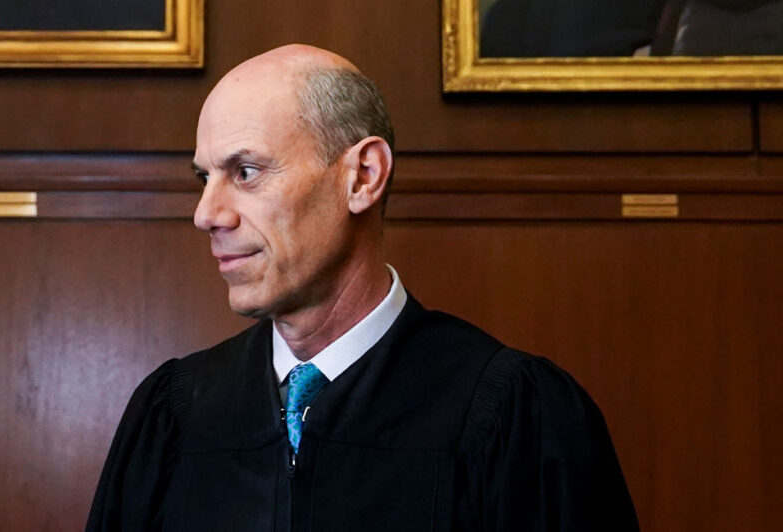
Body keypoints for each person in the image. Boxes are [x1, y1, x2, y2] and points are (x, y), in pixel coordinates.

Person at [85, 44, 639, 531]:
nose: (207, 214)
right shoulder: (175, 412)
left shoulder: (512, 413)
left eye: (246, 172)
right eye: (204, 178)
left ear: (363, 177)